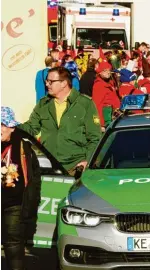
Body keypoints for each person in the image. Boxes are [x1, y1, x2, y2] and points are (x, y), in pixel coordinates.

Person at [19, 66, 101, 174]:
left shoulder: (85, 104)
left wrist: (88, 161)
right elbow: (31, 127)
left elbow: (94, 137)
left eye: (51, 81)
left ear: (63, 83)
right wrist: (11, 128)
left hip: (76, 168)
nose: (47, 84)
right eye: (46, 81)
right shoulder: (43, 104)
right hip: (49, 167)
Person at [1, 106, 41, 270]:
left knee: (13, 241)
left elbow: (34, 178)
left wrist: (30, 204)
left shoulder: (24, 147)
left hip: (14, 203)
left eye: (2, 125)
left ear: (11, 127)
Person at [92, 61, 121, 130]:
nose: (108, 72)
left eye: (109, 70)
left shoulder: (110, 83)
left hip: (114, 115)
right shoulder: (99, 85)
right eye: (105, 70)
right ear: (100, 72)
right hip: (106, 118)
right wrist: (100, 124)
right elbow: (97, 105)